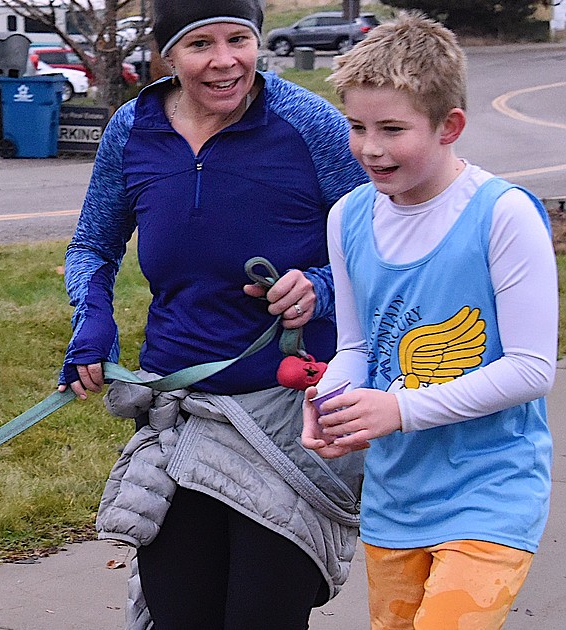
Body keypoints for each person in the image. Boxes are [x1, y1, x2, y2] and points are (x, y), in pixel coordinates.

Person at [59, 0, 369, 627]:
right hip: (180, 415)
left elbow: (376, 240)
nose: (226, 61)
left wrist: (320, 287)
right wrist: (92, 318)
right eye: (201, 44)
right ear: (166, 55)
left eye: (240, 40)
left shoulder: (308, 123)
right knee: (180, 616)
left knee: (260, 617)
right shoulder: (132, 127)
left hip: (289, 418)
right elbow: (93, 242)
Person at [305, 13, 556, 629]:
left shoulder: (503, 215)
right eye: (356, 126)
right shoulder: (347, 217)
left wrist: (400, 410)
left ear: (451, 127)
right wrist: (334, 400)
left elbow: (531, 369)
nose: (370, 147)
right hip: (395, 496)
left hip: (490, 493)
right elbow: (359, 347)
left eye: (393, 129)